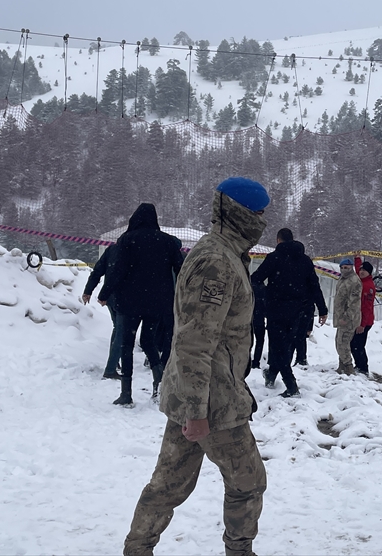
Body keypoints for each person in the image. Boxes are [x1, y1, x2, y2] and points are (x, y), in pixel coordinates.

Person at [123, 177, 270, 556]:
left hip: (196, 392)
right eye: (257, 213)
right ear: (239, 213)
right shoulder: (216, 262)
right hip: (212, 400)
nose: (261, 221)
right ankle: (239, 551)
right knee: (248, 482)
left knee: (169, 484)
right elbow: (195, 341)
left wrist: (191, 406)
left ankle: (136, 550)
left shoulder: (225, 253)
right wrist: (197, 412)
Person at [99, 203, 184, 406]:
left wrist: (104, 293)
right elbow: (181, 270)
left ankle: (126, 393)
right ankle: (159, 380)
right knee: (148, 341)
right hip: (158, 303)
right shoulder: (168, 242)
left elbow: (118, 269)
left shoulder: (127, 239)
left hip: (130, 302)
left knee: (127, 345)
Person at [250, 228, 328, 398]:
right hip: (298, 311)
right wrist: (322, 309)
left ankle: (291, 386)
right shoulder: (305, 260)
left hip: (276, 309)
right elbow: (314, 285)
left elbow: (255, 278)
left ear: (278, 240)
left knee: (277, 347)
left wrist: (266, 293)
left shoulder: (274, 258)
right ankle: (271, 374)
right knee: (287, 347)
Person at [82, 242, 121, 380]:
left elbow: (98, 271)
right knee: (121, 330)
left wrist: (88, 290)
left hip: (110, 296)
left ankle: (114, 360)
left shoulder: (112, 249)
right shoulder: (134, 249)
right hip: (124, 297)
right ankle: (111, 367)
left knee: (118, 328)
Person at [332, 257, 363, 375]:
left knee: (342, 344)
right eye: (342, 267)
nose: (344, 269)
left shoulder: (354, 281)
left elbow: (354, 303)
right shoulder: (343, 279)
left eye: (347, 267)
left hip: (349, 319)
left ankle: (348, 368)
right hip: (341, 317)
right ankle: (342, 366)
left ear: (351, 268)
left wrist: (346, 317)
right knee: (339, 342)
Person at [350, 257, 376, 377]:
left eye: (364, 270)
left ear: (369, 273)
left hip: (365, 321)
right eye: (361, 270)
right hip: (358, 319)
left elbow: (367, 307)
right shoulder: (361, 281)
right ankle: (359, 365)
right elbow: (357, 271)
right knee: (354, 344)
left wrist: (362, 324)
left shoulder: (368, 287)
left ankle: (363, 368)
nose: (361, 271)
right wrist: (357, 259)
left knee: (358, 345)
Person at [249, 279, 267, 370]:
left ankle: (247, 359)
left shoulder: (249, 289)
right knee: (260, 341)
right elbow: (266, 305)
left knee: (248, 341)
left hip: (249, 318)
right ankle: (256, 361)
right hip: (259, 319)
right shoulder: (264, 290)